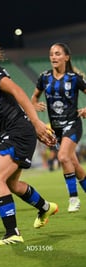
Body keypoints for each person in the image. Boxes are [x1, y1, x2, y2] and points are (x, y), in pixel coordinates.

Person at [0, 33, 59, 246]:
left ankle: (12, 233)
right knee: (12, 183)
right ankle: (45, 208)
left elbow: (17, 91)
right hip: (14, 133)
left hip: (18, 132)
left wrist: (36, 123)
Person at [31, 42, 86, 212]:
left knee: (63, 157)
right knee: (75, 165)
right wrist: (34, 105)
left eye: (57, 54)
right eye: (51, 54)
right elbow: (33, 98)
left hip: (73, 124)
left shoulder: (75, 78)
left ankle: (73, 198)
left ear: (66, 57)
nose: (53, 57)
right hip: (57, 129)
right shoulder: (44, 77)